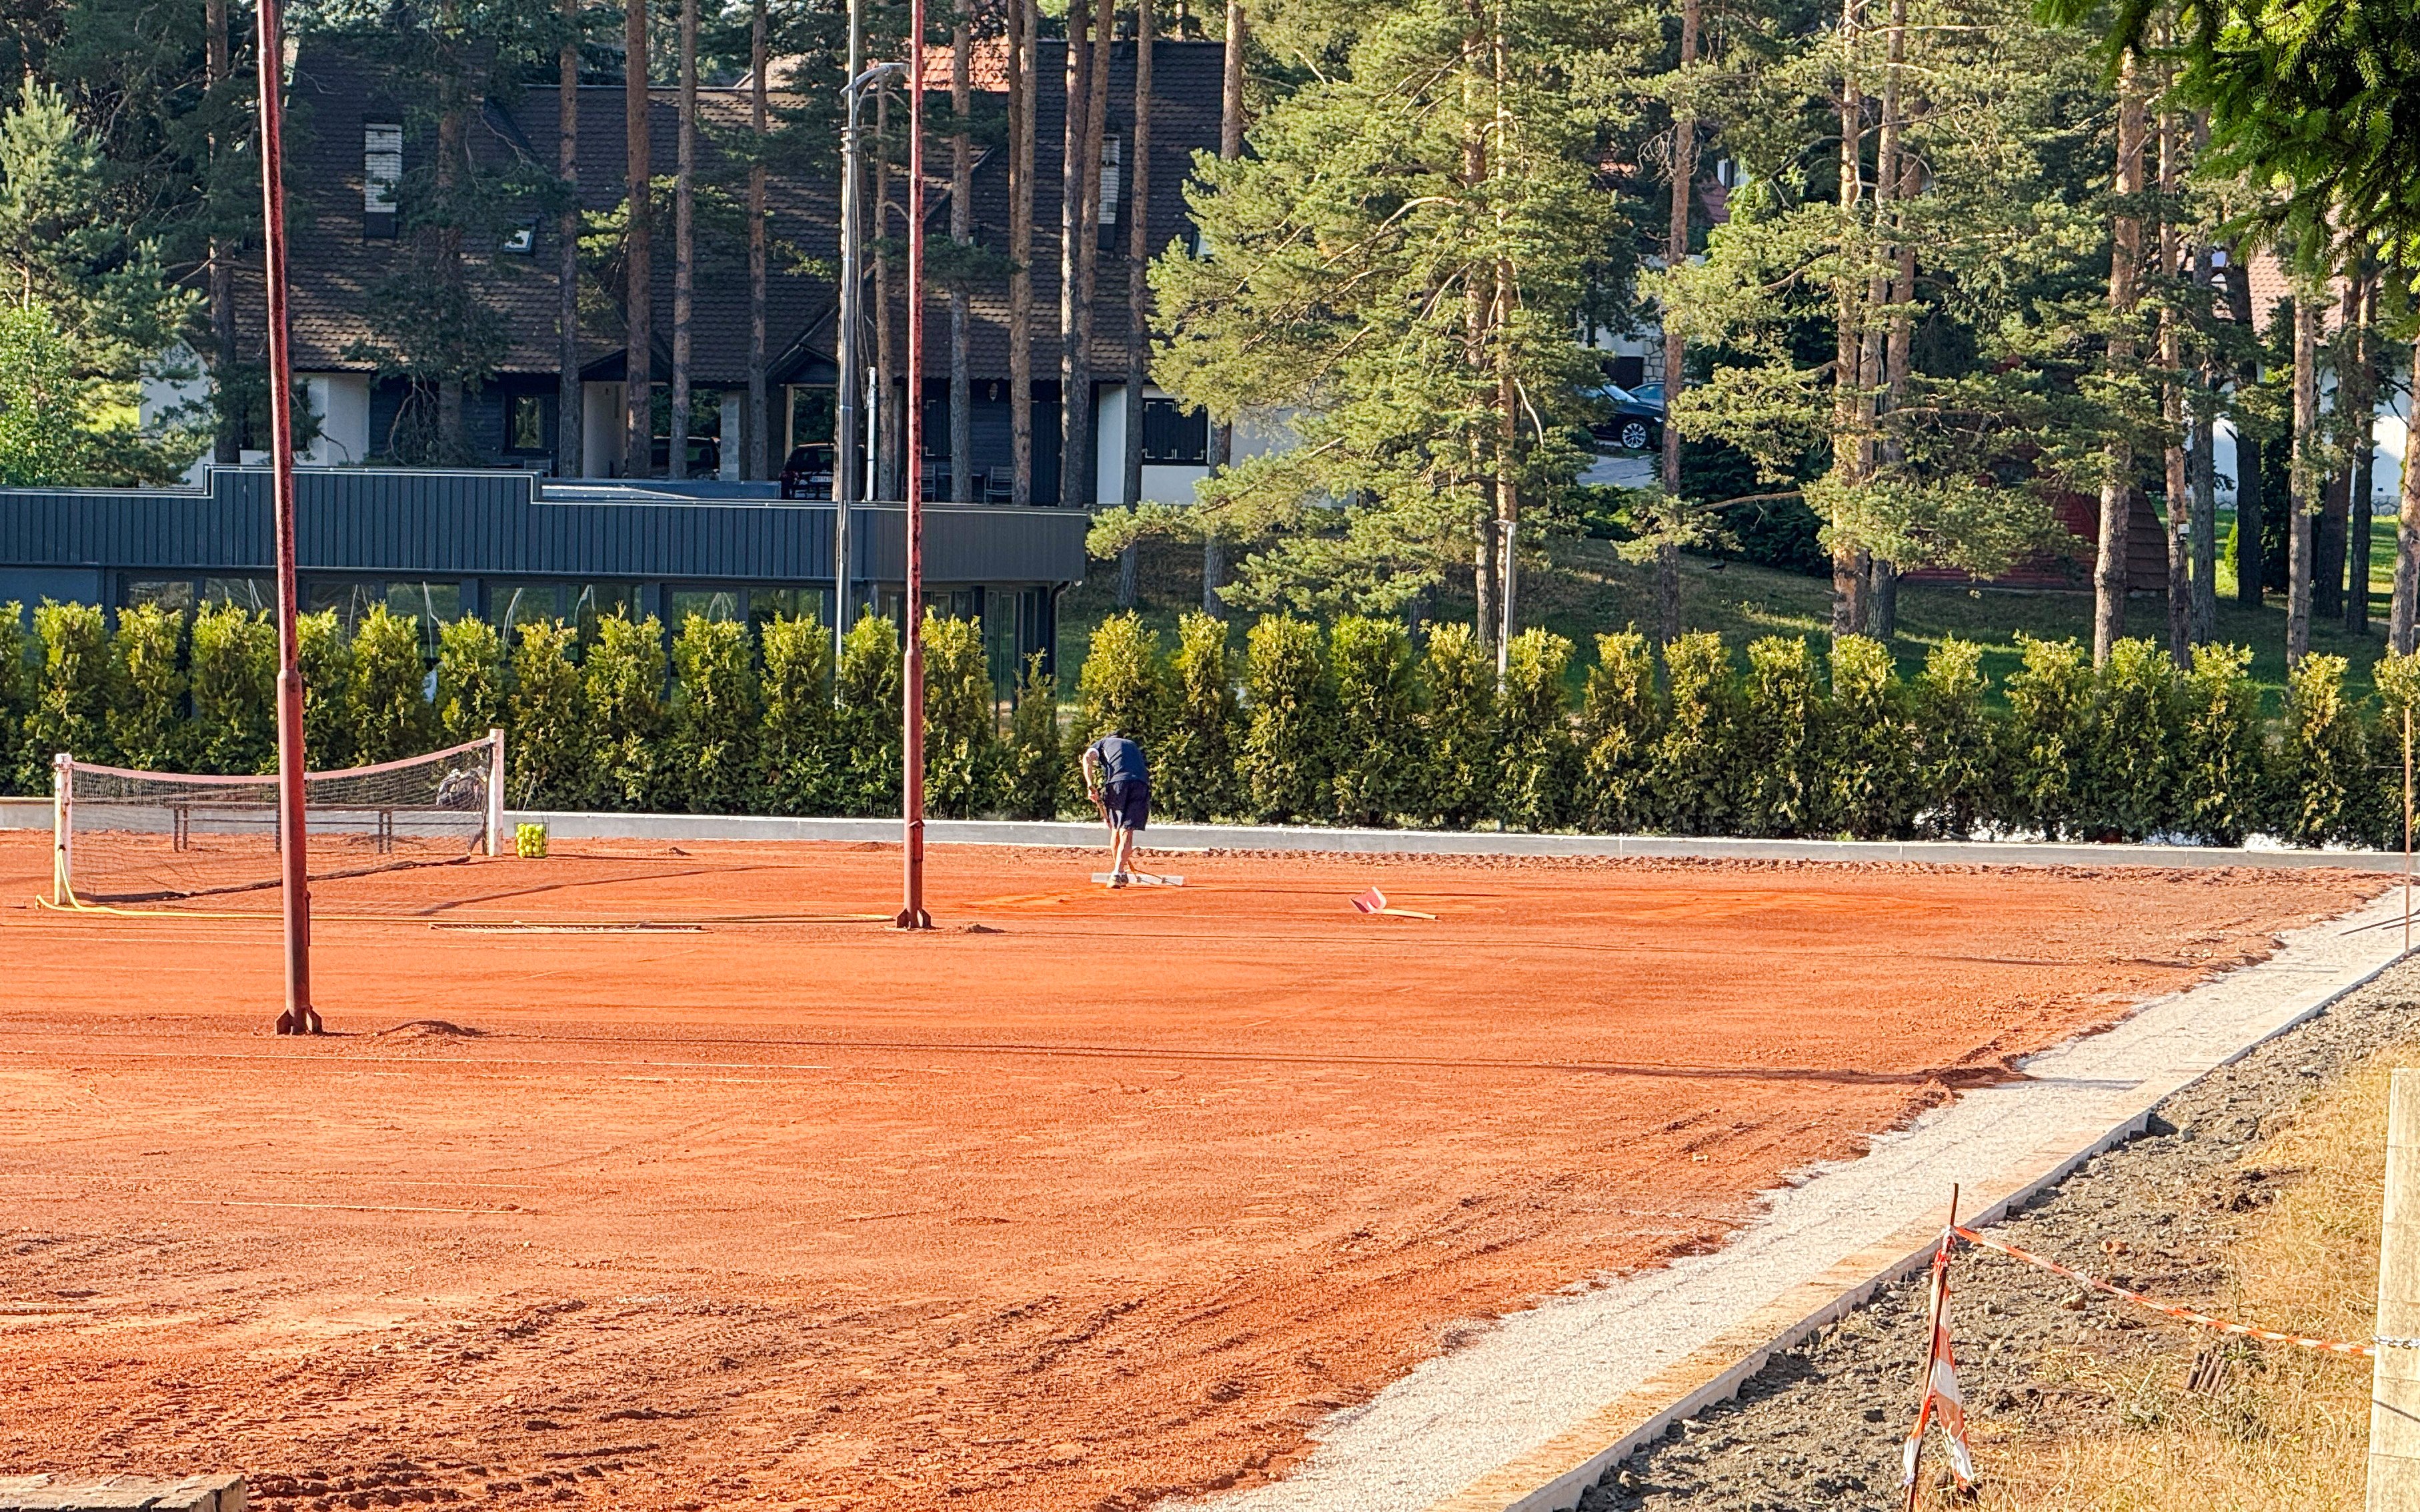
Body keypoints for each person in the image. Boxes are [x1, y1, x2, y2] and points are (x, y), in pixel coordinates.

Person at [1080, 728, 1150, 885]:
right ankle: (1119, 871)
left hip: (1117, 783)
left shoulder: (1102, 744)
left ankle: (1118, 873)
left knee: (1115, 827)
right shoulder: (1132, 745)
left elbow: (1087, 757)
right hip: (1141, 783)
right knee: (1128, 829)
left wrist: (1090, 784)